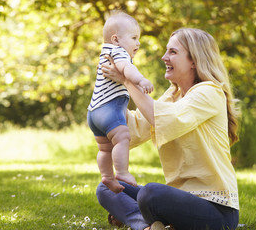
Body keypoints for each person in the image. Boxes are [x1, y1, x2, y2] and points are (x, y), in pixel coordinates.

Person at [96, 28, 240, 230]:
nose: (164, 57)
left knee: (151, 194)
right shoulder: (173, 95)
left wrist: (128, 81)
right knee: (107, 187)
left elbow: (163, 118)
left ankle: (152, 221)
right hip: (180, 201)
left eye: (173, 52)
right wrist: (105, 99)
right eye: (166, 51)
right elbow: (135, 128)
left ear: (194, 61)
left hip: (216, 211)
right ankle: (148, 227)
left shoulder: (210, 92)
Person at [87, 11, 153, 194]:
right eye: (133, 38)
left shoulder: (105, 52)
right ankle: (122, 172)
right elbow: (127, 69)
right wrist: (141, 80)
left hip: (93, 112)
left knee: (104, 149)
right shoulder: (118, 52)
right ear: (116, 39)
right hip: (109, 108)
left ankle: (107, 177)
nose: (137, 43)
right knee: (123, 137)